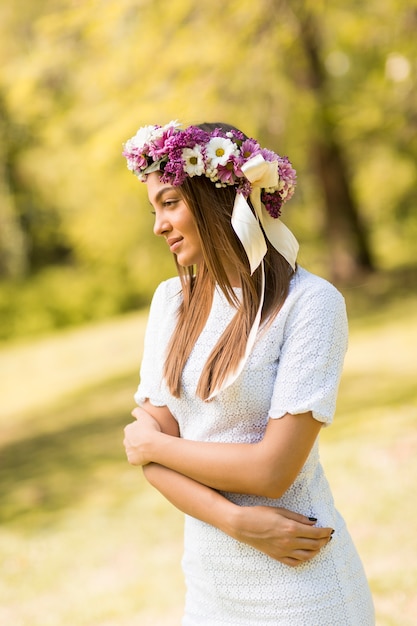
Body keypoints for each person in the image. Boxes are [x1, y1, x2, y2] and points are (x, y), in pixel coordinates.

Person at [122, 121, 375, 625]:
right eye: (155, 209)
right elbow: (155, 468)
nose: (158, 225)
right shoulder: (169, 304)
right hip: (210, 591)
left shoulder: (310, 303)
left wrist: (153, 444)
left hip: (303, 588)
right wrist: (236, 521)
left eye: (170, 202)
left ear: (220, 197)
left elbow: (272, 471)